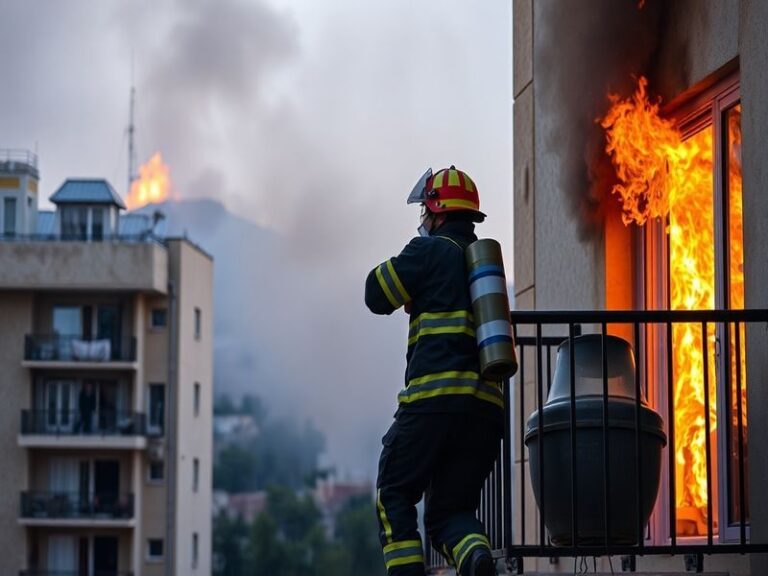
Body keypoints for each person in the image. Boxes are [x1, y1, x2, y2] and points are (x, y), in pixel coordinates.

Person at [365, 166, 503, 576]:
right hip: (484, 412)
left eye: (425, 212)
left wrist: (415, 279)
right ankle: (476, 557)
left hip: (431, 404)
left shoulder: (428, 251)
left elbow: (375, 294)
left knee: (394, 492)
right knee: (450, 513)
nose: (423, 221)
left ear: (437, 211)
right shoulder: (484, 266)